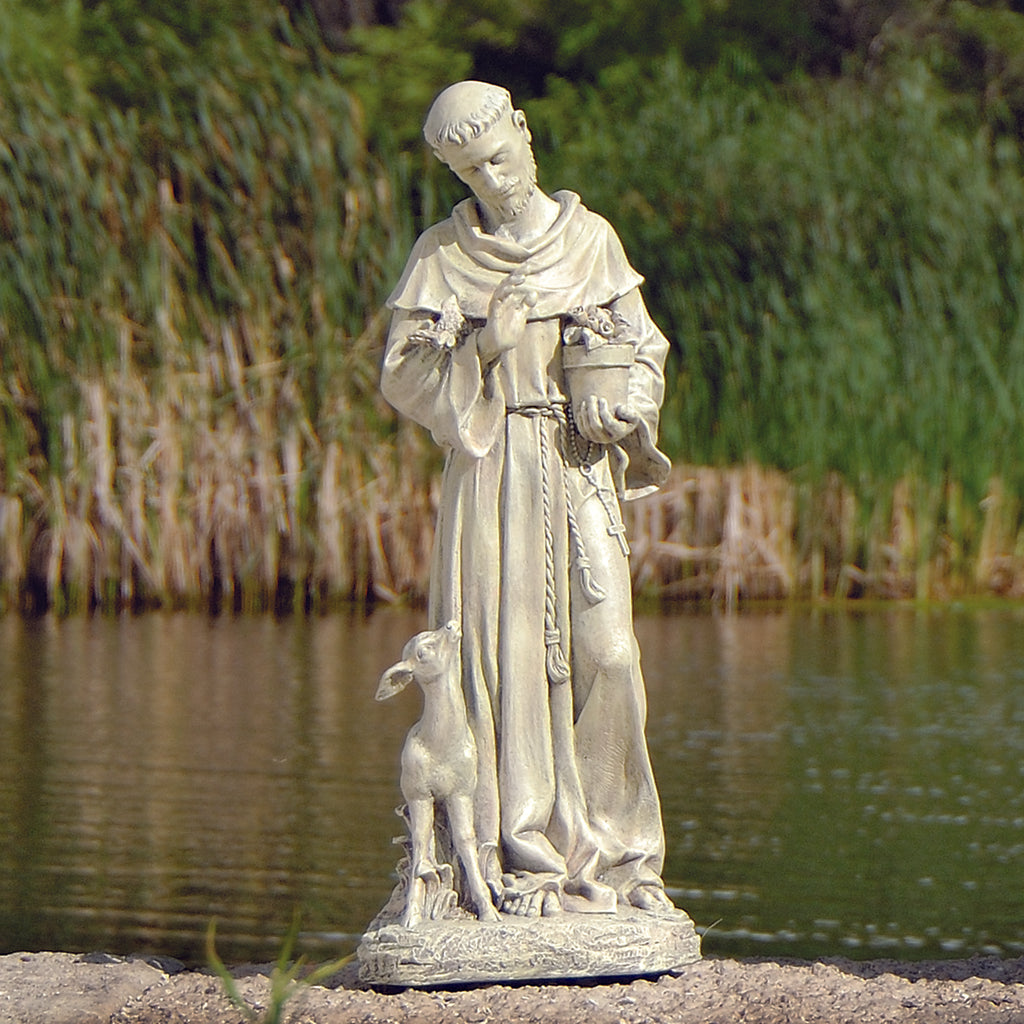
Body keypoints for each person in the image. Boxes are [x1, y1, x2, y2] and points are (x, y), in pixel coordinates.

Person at [381, 80, 674, 917]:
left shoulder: (590, 239)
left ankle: (623, 861)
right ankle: (519, 857)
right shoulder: (442, 254)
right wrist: (483, 347)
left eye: (499, 157)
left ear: (524, 130)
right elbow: (402, 375)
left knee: (609, 652)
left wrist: (624, 409)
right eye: (471, 171)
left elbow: (643, 349)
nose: (494, 179)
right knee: (502, 664)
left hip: (577, 466)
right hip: (492, 472)